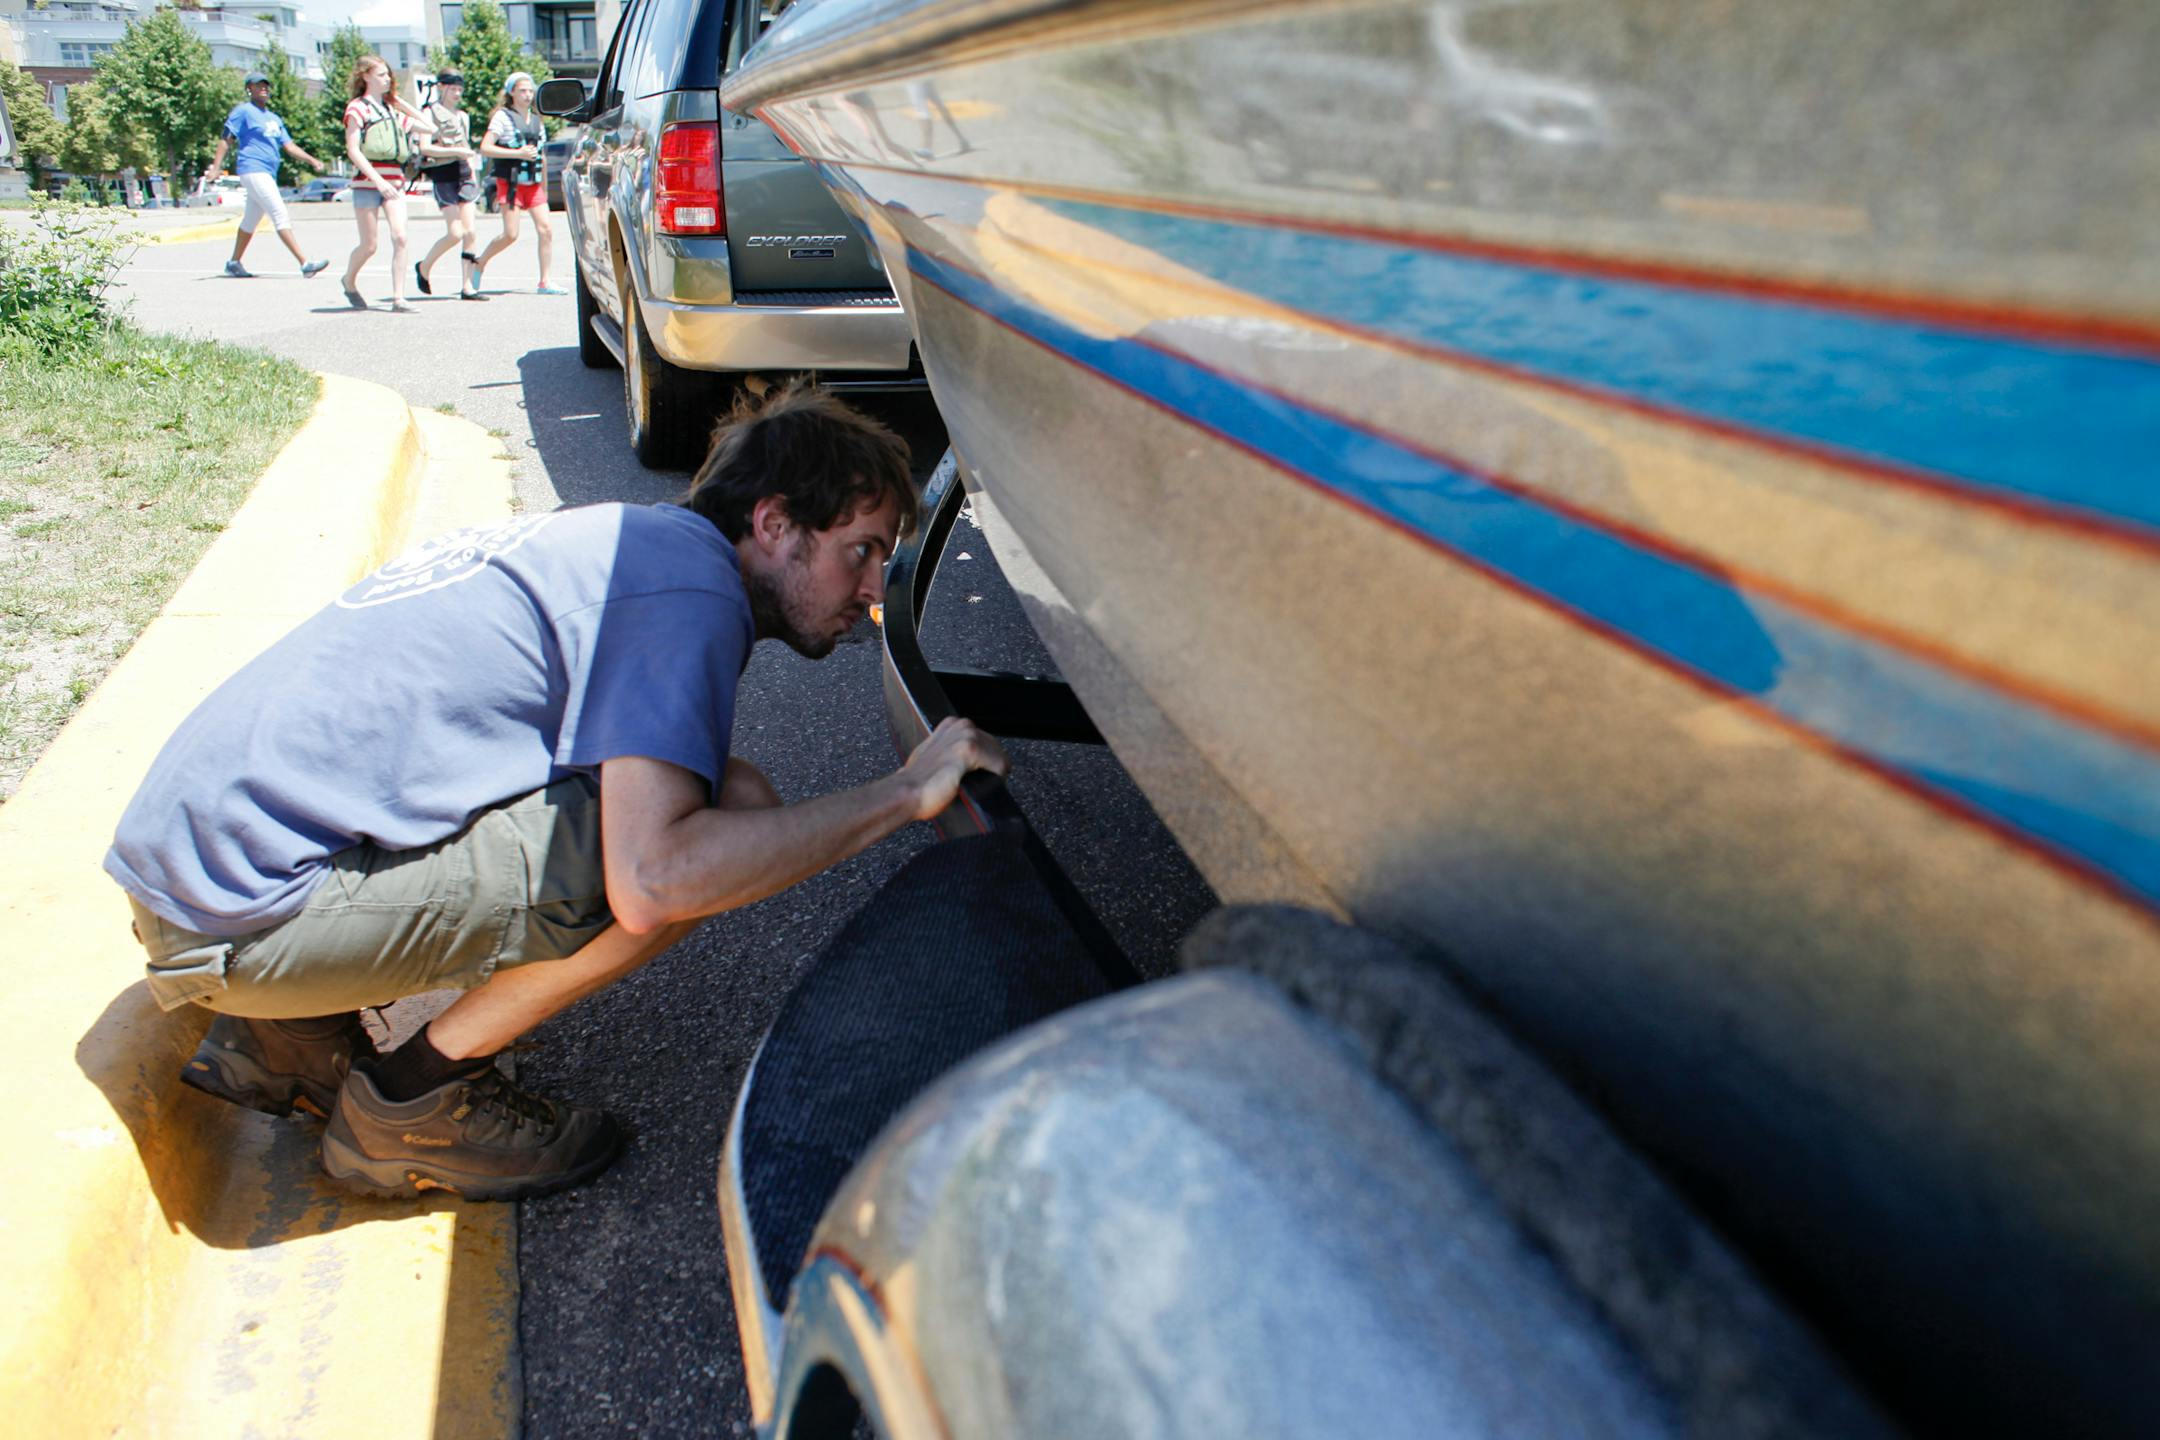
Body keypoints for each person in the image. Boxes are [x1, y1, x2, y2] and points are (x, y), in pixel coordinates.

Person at [105, 384, 1006, 1201]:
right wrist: (902, 794)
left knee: (700, 792)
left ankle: (289, 1035)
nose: (871, 591)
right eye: (860, 552)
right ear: (774, 524)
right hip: (239, 920)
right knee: (722, 828)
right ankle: (412, 1100)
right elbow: (657, 878)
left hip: (199, 868)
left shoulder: (626, 545)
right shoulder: (688, 590)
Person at [201, 73, 331, 280]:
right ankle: (305, 264)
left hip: (268, 172)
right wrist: (216, 167)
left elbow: (289, 146)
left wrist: (312, 160)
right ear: (249, 89)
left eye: (266, 85)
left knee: (251, 220)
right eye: (258, 85)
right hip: (252, 168)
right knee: (279, 213)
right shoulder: (243, 111)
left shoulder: (274, 118)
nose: (263, 89)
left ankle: (234, 263)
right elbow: (226, 139)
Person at [338, 55, 433, 313]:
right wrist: (378, 181)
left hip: (395, 181)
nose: (387, 79)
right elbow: (353, 150)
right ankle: (349, 280)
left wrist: (401, 103)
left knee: (400, 236)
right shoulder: (357, 108)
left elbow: (430, 128)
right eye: (381, 75)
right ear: (365, 76)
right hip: (368, 182)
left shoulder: (392, 111)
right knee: (369, 245)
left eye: (388, 74)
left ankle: (398, 298)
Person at [473, 72, 564, 295]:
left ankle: (545, 281)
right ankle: (479, 262)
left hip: (533, 184)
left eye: (530, 91)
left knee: (546, 229)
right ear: (512, 92)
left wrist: (544, 189)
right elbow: (485, 147)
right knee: (510, 235)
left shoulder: (536, 121)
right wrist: (517, 153)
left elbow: (541, 157)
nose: (527, 95)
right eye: (522, 90)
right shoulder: (502, 117)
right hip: (511, 183)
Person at [412, 72, 486, 302]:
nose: (457, 93)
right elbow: (425, 147)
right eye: (453, 89)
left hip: (464, 173)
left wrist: (472, 173)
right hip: (443, 175)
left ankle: (467, 286)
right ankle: (424, 266)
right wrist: (455, 151)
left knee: (470, 231)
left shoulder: (463, 116)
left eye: (460, 89)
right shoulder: (429, 113)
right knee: (455, 233)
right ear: (441, 87)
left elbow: (467, 148)